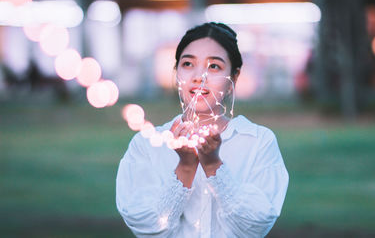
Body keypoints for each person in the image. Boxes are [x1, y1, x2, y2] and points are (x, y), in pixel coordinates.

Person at [116, 22, 289, 237]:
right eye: (188, 64)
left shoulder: (256, 141)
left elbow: (254, 226)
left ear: (233, 78)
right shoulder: (148, 144)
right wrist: (186, 167)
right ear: (176, 71)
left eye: (214, 66)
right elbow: (149, 228)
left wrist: (214, 165)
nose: (199, 76)